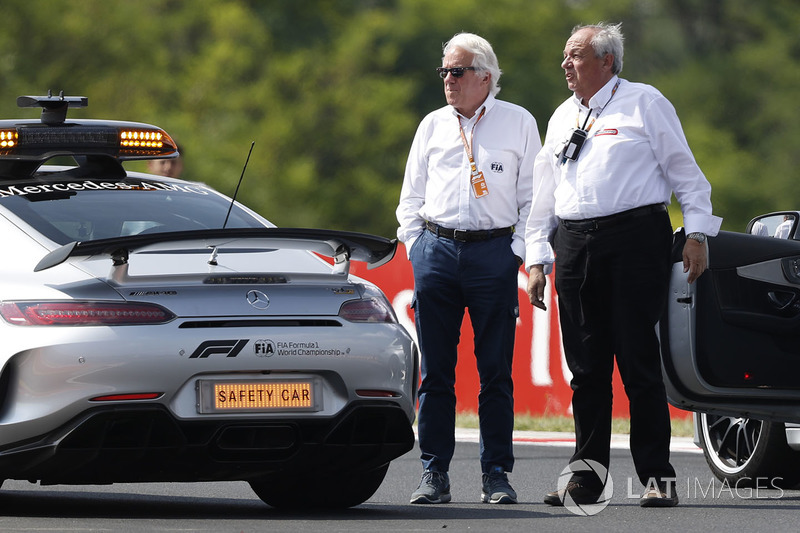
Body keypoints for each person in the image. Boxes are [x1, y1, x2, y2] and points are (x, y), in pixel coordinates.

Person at [524, 22, 722, 508]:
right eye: (565, 56)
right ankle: (586, 479)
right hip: (573, 244)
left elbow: (688, 176)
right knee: (586, 370)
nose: (565, 64)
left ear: (607, 61)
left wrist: (696, 234)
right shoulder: (561, 115)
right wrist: (535, 259)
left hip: (635, 239)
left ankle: (658, 477)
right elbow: (543, 198)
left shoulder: (644, 102)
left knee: (637, 361)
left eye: (575, 56)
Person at [396, 32, 541, 505]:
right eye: (444, 72)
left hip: (493, 255)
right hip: (436, 251)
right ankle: (433, 473)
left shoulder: (518, 122)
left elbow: (533, 200)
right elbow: (409, 200)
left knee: (494, 372)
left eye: (456, 72)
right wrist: (418, 246)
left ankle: (496, 473)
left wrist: (515, 252)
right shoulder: (433, 125)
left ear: (485, 76)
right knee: (436, 373)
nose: (448, 81)